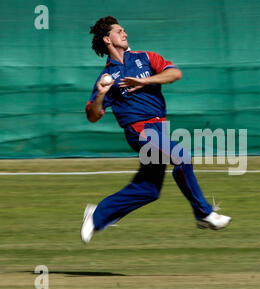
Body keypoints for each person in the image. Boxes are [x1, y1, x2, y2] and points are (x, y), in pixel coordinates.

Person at [81, 16, 231, 243]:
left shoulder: (146, 57)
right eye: (119, 31)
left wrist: (146, 81)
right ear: (107, 40)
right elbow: (93, 116)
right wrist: (101, 93)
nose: (125, 34)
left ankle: (98, 214)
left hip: (160, 128)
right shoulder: (108, 77)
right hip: (139, 130)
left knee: (149, 190)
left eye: (124, 30)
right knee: (182, 157)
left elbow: (175, 73)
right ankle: (204, 214)